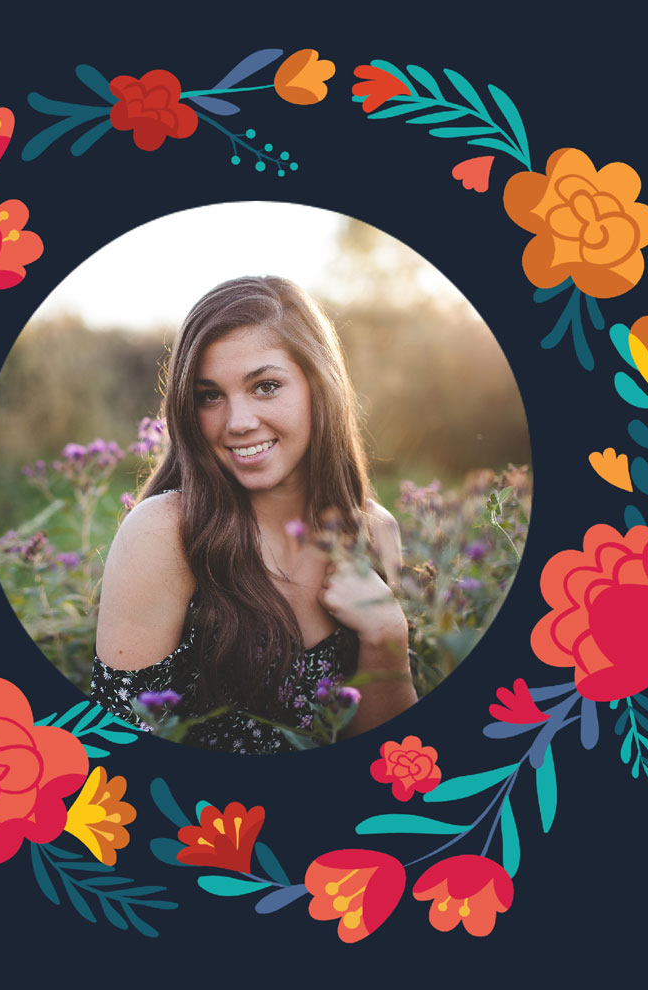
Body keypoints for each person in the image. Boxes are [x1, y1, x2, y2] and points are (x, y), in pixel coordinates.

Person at [91, 276, 417, 752]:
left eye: (265, 386)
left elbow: (393, 757)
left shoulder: (374, 533)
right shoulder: (166, 534)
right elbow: (114, 744)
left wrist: (387, 632)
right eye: (209, 396)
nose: (238, 422)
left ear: (318, 387)